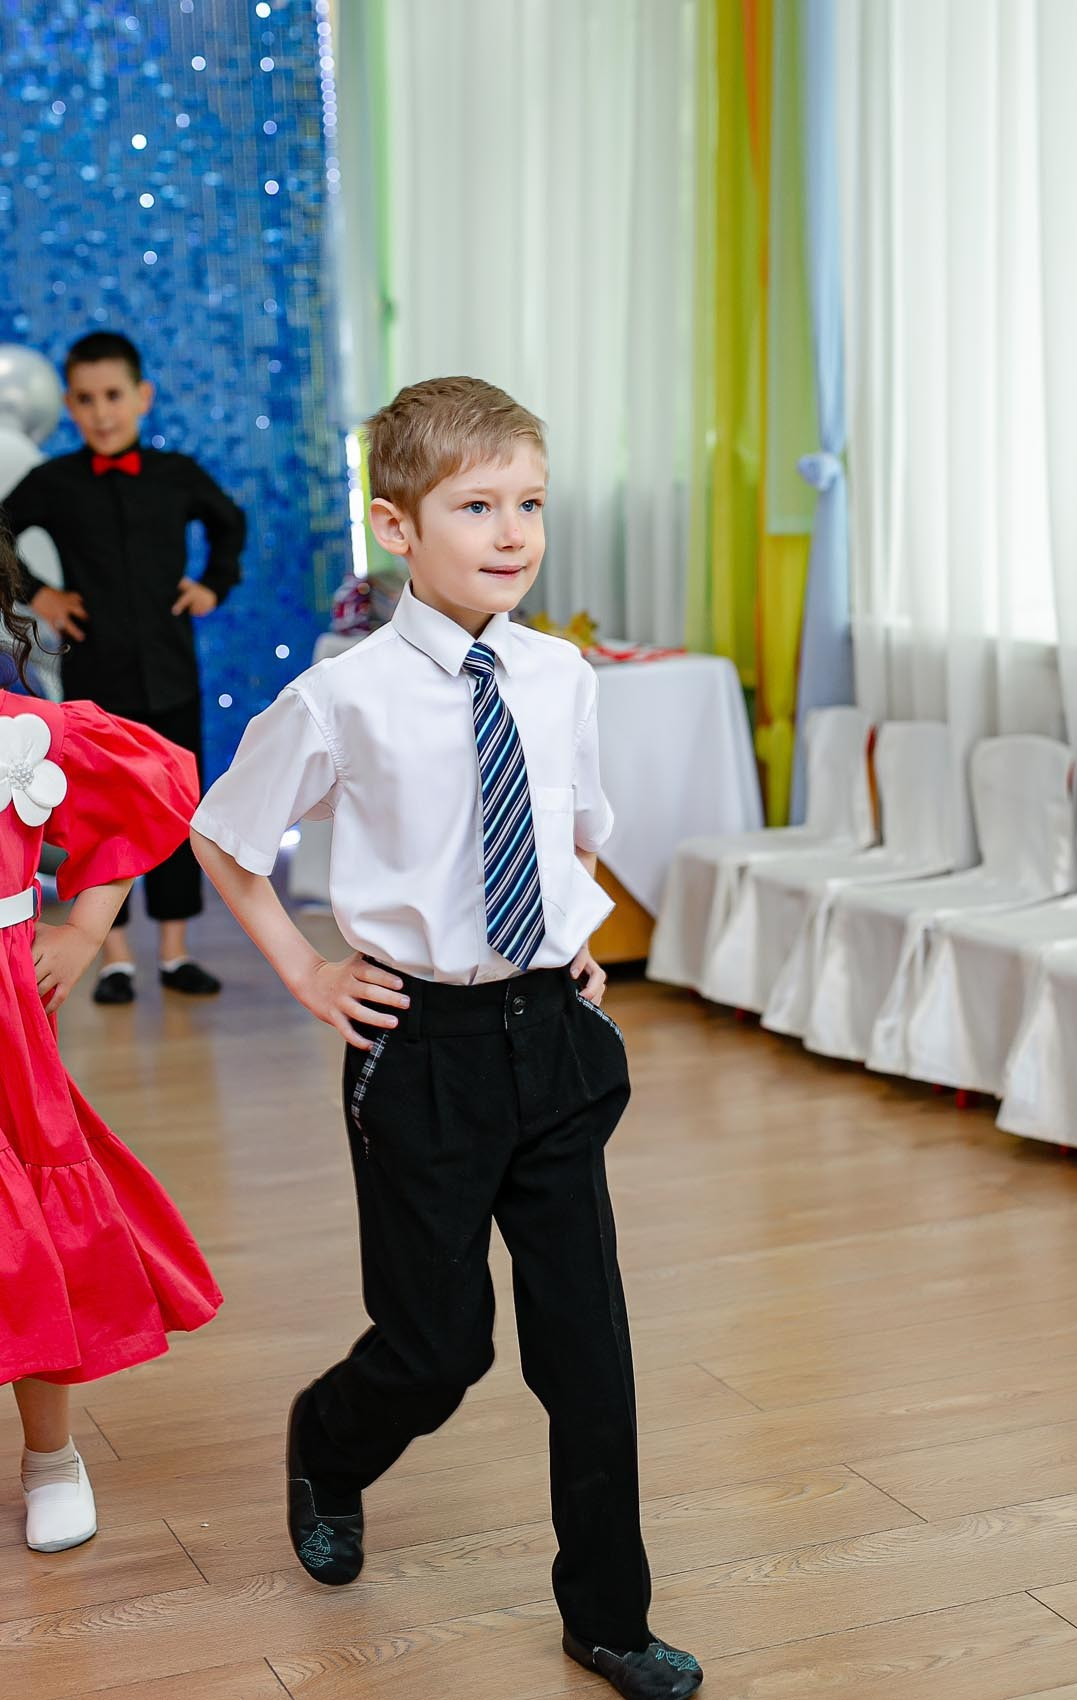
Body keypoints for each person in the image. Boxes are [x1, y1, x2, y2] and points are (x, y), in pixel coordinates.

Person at [190, 378, 703, 1699]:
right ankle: (328, 1439)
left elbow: (569, 822)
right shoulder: (343, 695)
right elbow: (225, 841)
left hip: (552, 1032)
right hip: (418, 1046)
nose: (512, 529)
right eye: (476, 504)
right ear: (395, 527)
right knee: (440, 1346)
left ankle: (607, 1615)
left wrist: (571, 928)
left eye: (529, 502)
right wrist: (307, 973)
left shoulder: (559, 673)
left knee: (585, 1342)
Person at [0, 528, 222, 1553]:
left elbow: (149, 782)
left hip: (6, 1045)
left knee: (26, 1232)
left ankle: (52, 1453)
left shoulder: (19, 733)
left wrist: (84, 927)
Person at [2, 331, 245, 1005]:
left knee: (174, 808)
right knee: (99, 815)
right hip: (94, 683)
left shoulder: (176, 476)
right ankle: (111, 958)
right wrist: (37, 595)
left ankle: (173, 952)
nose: (102, 412)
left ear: (142, 397)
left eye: (113, 396)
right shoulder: (53, 483)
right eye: (85, 399)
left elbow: (230, 523)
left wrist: (212, 586)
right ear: (70, 409)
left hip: (171, 673)